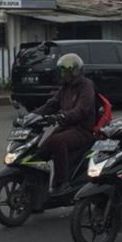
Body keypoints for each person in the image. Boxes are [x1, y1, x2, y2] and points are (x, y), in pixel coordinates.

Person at [35, 53, 97, 192]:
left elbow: (81, 110)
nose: (63, 74)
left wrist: (62, 116)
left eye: (65, 71)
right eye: (62, 71)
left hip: (83, 130)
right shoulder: (65, 87)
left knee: (57, 142)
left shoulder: (86, 86)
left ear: (75, 71)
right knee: (40, 151)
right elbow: (52, 104)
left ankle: (62, 183)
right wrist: (33, 116)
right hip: (67, 128)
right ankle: (38, 190)